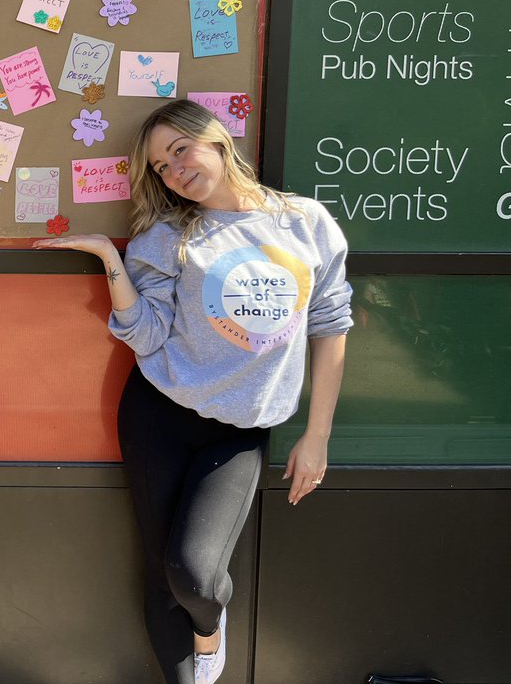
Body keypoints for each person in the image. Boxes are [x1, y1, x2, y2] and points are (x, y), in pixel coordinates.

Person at [34, 99, 351, 684]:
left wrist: (317, 435)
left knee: (195, 573)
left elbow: (330, 325)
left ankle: (210, 629)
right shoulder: (168, 234)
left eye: (179, 150)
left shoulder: (304, 222)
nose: (174, 171)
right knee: (161, 573)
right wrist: (111, 259)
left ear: (217, 139)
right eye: (160, 166)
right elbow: (148, 334)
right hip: (160, 413)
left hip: (240, 429)